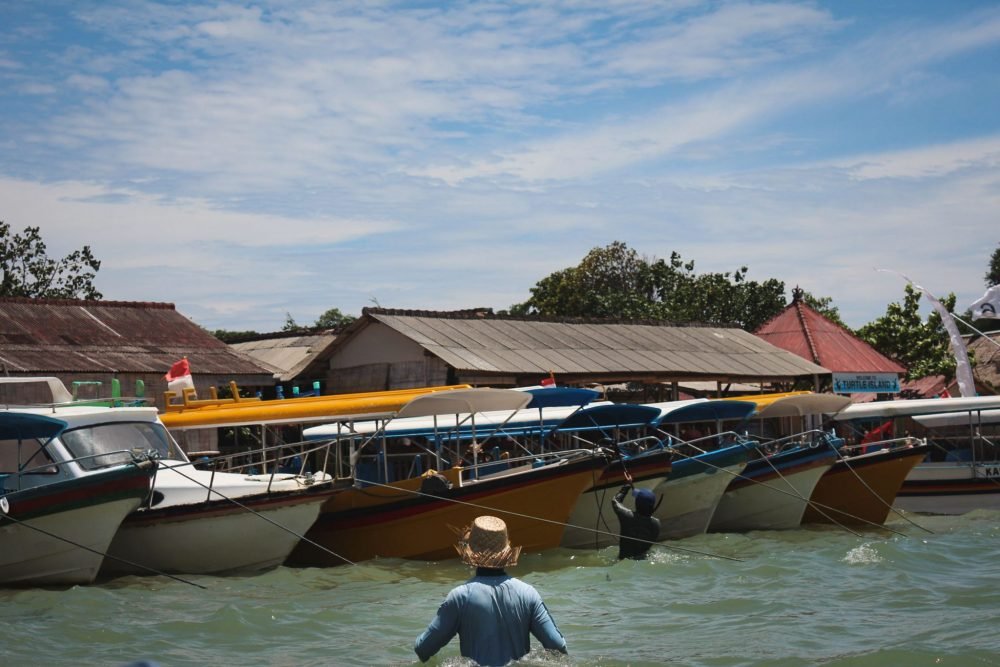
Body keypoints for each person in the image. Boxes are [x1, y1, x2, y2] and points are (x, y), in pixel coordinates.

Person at [414, 515, 568, 666]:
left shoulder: (460, 597)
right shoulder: (528, 593)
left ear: (470, 551)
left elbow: (423, 649)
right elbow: (557, 645)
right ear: (506, 551)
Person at [612, 472, 661, 560]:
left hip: (623, 560)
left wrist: (627, 485)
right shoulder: (656, 524)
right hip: (643, 560)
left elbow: (615, 501)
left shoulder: (627, 516)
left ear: (637, 503)